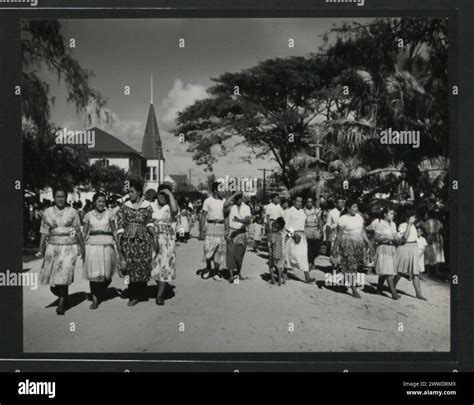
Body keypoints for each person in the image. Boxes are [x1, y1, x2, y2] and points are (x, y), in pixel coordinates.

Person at [37, 187, 85, 315]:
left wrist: (82, 247)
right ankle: (63, 295)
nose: (60, 199)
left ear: (66, 198)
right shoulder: (47, 212)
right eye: (58, 196)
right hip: (52, 247)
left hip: (69, 247)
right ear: (54, 198)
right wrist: (40, 247)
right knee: (53, 281)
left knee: (64, 273)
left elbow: (77, 231)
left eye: (62, 196)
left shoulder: (72, 212)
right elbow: (44, 231)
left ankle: (62, 303)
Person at [116, 179, 156, 306]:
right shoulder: (124, 207)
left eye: (132, 192)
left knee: (141, 265)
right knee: (129, 267)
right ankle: (132, 293)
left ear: (138, 192)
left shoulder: (147, 206)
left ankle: (140, 292)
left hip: (143, 240)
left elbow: (149, 222)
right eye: (129, 192)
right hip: (128, 240)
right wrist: (119, 240)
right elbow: (121, 224)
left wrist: (153, 234)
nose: (130, 194)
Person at [82, 192, 120, 309]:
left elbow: (114, 230)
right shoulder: (88, 215)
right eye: (99, 201)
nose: (101, 203)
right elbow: (84, 232)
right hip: (92, 245)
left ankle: (99, 291)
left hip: (106, 245)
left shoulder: (110, 214)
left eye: (103, 201)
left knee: (106, 275)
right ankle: (95, 299)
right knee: (93, 274)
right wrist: (80, 245)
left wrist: (117, 244)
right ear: (94, 202)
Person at [332, 199, 373, 298]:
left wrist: (369, 244)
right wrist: (334, 248)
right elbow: (339, 235)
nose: (356, 209)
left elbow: (362, 232)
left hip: (358, 245)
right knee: (350, 267)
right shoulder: (343, 219)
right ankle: (354, 289)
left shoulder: (359, 217)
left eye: (357, 207)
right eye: (354, 207)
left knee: (354, 267)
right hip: (347, 245)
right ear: (348, 208)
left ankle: (342, 281)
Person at [151, 184, 178, 305]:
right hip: (153, 239)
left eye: (165, 195)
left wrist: (169, 193)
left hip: (167, 241)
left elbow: (175, 211)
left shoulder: (170, 206)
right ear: (157, 194)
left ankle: (159, 295)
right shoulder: (151, 206)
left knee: (165, 267)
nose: (163, 197)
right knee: (153, 268)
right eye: (161, 194)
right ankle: (163, 285)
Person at [394, 210, 426, 300]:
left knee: (415, 272)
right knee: (400, 271)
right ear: (407, 218)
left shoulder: (414, 226)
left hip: (413, 248)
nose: (414, 219)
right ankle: (392, 287)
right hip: (404, 247)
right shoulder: (402, 225)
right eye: (412, 217)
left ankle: (418, 293)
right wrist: (408, 224)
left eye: (414, 217)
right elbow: (404, 238)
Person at [283, 196, 315, 283]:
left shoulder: (302, 212)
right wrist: (293, 233)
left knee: (304, 255)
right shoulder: (288, 211)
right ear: (294, 201)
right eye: (297, 201)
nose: (299, 203)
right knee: (289, 255)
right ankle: (285, 273)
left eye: (301, 201)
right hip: (291, 235)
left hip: (302, 236)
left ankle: (307, 277)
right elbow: (285, 225)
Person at [200, 182, 227, 281]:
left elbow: (226, 217)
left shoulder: (224, 201)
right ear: (215, 190)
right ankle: (208, 268)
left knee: (219, 252)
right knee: (208, 250)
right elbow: (203, 215)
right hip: (210, 227)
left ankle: (216, 271)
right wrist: (201, 230)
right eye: (221, 189)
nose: (223, 191)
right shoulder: (208, 201)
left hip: (221, 227)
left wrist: (227, 229)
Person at [373, 207, 400, 300]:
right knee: (388, 271)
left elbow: (396, 235)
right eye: (391, 213)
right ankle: (393, 292)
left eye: (393, 213)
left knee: (386, 270)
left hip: (391, 249)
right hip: (383, 249)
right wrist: (386, 237)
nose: (393, 215)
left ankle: (379, 289)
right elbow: (376, 238)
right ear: (385, 214)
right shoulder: (381, 224)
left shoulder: (393, 224)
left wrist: (397, 239)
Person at [225, 192, 251, 283]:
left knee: (239, 257)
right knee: (230, 254)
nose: (239, 199)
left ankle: (238, 274)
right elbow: (225, 205)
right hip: (232, 232)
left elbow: (247, 219)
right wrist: (233, 195)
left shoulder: (246, 207)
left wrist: (239, 220)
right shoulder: (231, 207)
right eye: (237, 198)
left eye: (240, 197)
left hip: (241, 233)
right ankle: (232, 276)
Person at [422, 209, 445, 276]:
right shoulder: (438, 222)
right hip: (437, 237)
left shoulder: (426, 222)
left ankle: (429, 269)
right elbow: (441, 230)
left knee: (429, 252)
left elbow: (424, 231)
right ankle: (435, 270)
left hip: (430, 237)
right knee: (436, 252)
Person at [304, 197, 322, 270]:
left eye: (311, 202)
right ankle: (310, 263)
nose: (309, 203)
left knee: (317, 248)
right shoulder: (303, 211)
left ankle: (312, 260)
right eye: (308, 202)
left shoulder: (316, 210)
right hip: (307, 229)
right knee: (309, 247)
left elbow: (320, 220)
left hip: (316, 229)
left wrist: (321, 230)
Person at [269, 217, 286, 285]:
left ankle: (272, 279)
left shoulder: (273, 235)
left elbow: (272, 244)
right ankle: (280, 279)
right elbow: (287, 238)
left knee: (271, 266)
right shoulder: (281, 234)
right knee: (280, 266)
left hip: (274, 252)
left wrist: (271, 253)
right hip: (281, 252)